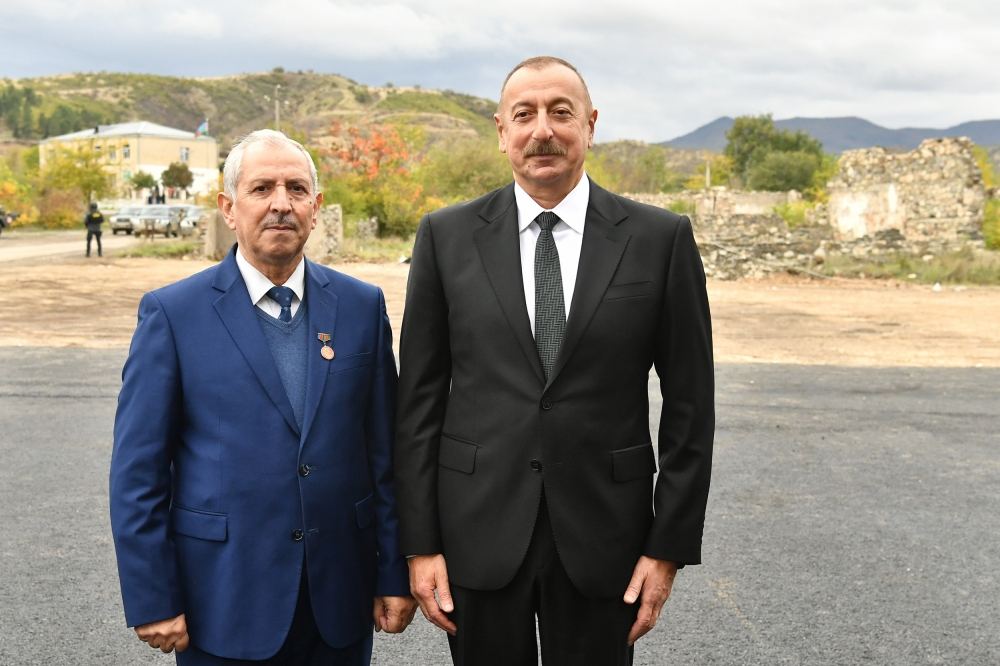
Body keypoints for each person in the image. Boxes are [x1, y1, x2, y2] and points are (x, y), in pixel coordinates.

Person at [394, 56, 715, 665]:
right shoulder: (446, 237)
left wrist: (667, 547)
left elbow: (691, 408)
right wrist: (420, 544)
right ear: (501, 132)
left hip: (606, 539)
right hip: (477, 532)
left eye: (560, 112)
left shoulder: (659, 240)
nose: (542, 129)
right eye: (525, 115)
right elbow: (418, 403)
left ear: (590, 124)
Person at [110, 129, 417, 664]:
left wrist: (392, 572)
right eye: (262, 189)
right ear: (229, 207)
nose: (281, 204)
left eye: (296, 189)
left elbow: (384, 457)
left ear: (316, 207)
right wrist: (152, 596)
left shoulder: (361, 307)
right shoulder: (173, 314)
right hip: (222, 601)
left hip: (337, 604)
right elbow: (138, 473)